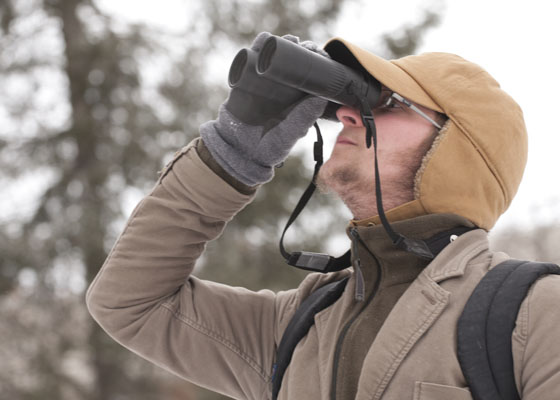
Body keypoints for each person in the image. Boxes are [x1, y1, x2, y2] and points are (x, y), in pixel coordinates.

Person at [86, 32, 560, 400]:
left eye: (388, 103)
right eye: (358, 100)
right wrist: (229, 155)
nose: (351, 114)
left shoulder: (536, 313)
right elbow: (129, 303)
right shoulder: (301, 324)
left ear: (455, 151)